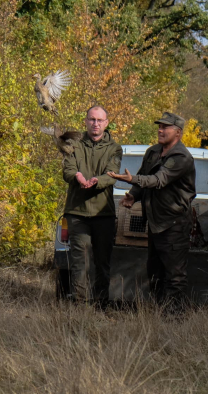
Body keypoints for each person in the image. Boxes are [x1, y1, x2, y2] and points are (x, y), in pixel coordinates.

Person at [108, 112, 196, 310]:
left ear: (178, 133)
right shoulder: (153, 152)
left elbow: (158, 180)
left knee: (174, 275)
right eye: (159, 126)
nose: (160, 130)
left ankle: (173, 318)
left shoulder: (181, 157)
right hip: (156, 223)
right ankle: (159, 313)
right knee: (155, 272)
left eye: (166, 127)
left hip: (174, 224)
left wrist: (131, 180)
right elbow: (143, 177)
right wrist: (133, 194)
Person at [62, 105, 122, 306]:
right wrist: (77, 176)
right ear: (86, 121)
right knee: (80, 261)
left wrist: (97, 181)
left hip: (103, 213)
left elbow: (111, 174)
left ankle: (100, 305)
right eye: (91, 119)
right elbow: (68, 170)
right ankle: (79, 305)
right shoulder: (74, 145)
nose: (95, 123)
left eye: (99, 120)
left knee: (102, 262)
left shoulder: (114, 148)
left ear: (106, 123)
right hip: (77, 212)